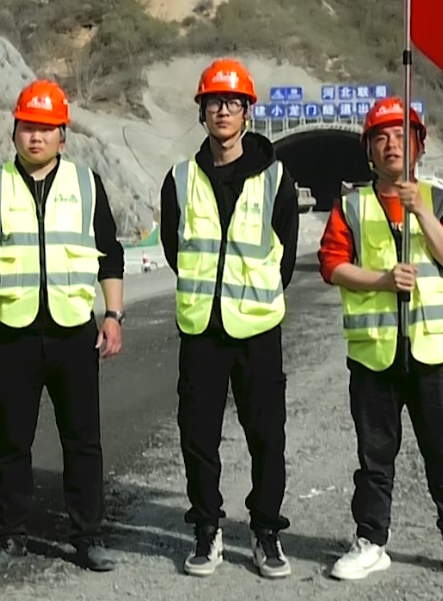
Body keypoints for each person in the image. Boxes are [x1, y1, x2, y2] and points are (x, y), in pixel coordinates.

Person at [318, 97, 443, 581]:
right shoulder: (351, 207)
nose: (391, 145)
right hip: (375, 352)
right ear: (369, 151)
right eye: (381, 138)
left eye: (401, 136)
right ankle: (371, 541)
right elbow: (332, 265)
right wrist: (381, 280)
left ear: (419, 145)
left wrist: (421, 211)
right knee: (374, 457)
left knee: (442, 451)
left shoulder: (441, 201)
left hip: (435, 349)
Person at [159, 59, 300, 579]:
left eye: (232, 102)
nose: (223, 110)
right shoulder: (180, 179)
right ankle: (206, 528)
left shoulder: (277, 178)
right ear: (202, 111)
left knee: (266, 437)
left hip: (258, 330)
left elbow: (284, 256)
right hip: (202, 330)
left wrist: (250, 297)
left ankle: (265, 532)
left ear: (247, 112)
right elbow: (175, 248)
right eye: (214, 102)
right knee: (198, 437)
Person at [0, 80, 125, 576]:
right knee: (11, 443)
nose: (35, 137)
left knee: (83, 441)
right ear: (14, 131)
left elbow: (109, 253)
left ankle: (88, 536)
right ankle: (10, 536)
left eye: (46, 128)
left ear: (63, 134)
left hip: (72, 331)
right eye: (27, 127)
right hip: (12, 330)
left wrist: (113, 315)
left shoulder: (86, 184)